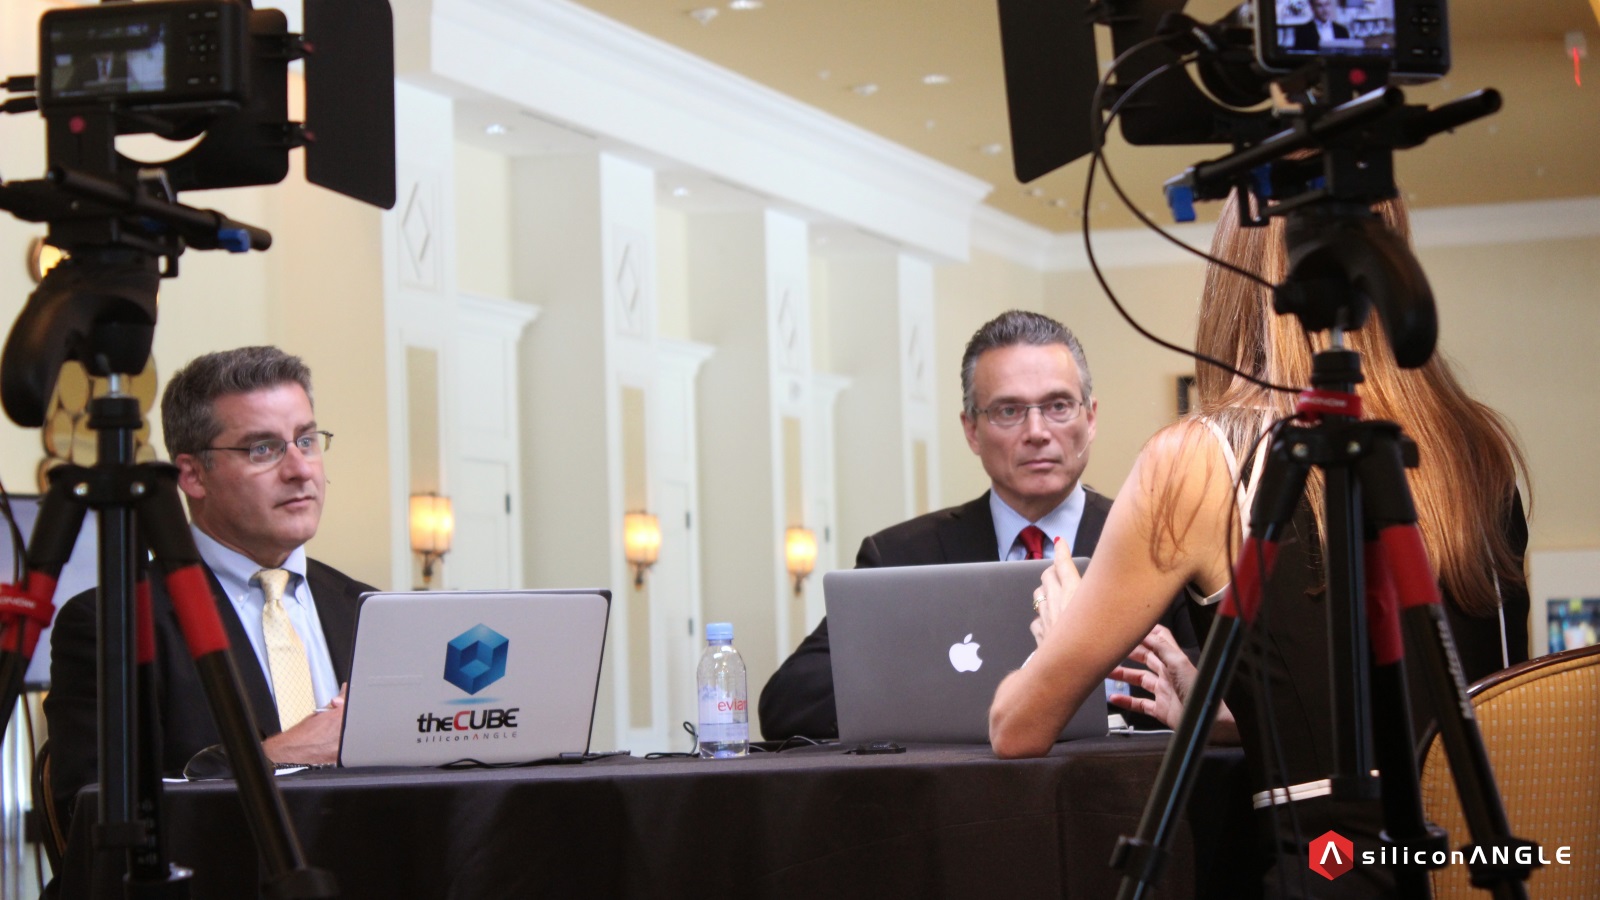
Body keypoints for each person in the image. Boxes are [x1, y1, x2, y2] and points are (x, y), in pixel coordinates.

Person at [990, 194, 1530, 896]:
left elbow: (1018, 728)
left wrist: (1063, 638)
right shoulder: (1478, 444)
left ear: (1234, 271)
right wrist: (1215, 708)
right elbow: (1430, 706)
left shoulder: (1200, 458)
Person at [759, 310, 1195, 740]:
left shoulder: (1160, 544)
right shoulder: (902, 557)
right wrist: (951, 683)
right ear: (971, 430)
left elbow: (1219, 687)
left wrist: (1090, 665)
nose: (1037, 431)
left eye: (1059, 406)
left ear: (1091, 417)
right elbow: (789, 701)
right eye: (1009, 411)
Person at [45, 346, 374, 825]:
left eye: (306, 440)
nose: (300, 469)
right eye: (263, 448)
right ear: (193, 475)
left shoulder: (367, 606)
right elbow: (90, 811)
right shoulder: (112, 621)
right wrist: (276, 756)